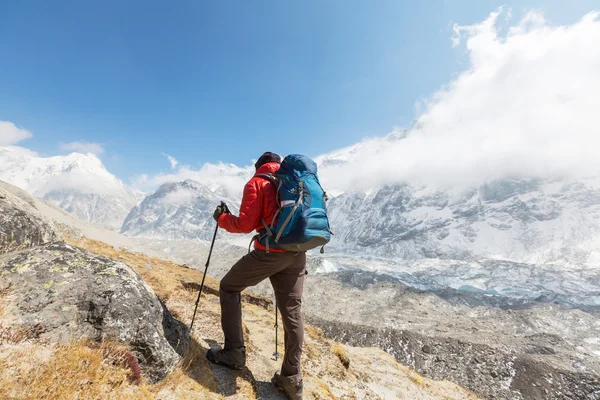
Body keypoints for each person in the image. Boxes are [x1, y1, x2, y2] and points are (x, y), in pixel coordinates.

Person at [207, 151, 305, 400]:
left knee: (229, 287)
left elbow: (244, 224)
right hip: (298, 253)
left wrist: (222, 218)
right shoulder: (295, 182)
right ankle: (292, 379)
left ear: (258, 166)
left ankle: (234, 353)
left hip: (271, 252)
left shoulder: (257, 182)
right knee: (292, 312)